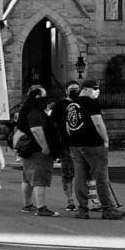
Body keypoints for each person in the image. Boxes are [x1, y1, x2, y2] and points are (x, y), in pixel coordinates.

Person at [64, 78, 125, 220]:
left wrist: (74, 138)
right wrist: (106, 140)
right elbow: (98, 123)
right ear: (86, 89)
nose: (97, 92)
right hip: (93, 144)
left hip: (76, 144)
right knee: (101, 177)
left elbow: (68, 126)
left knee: (80, 177)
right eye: (95, 89)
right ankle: (108, 208)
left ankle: (82, 209)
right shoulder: (91, 103)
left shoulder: (72, 105)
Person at [13, 85, 60, 216]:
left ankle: (27, 205)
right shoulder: (35, 111)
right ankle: (41, 207)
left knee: (28, 178)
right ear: (37, 96)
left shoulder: (26, 108)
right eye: (43, 96)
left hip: (27, 149)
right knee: (40, 178)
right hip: (37, 150)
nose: (45, 99)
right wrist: (45, 147)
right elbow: (36, 129)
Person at [50, 80, 80, 210]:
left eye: (77, 88)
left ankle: (86, 200)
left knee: (83, 172)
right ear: (67, 90)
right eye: (72, 88)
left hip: (82, 143)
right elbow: (53, 124)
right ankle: (70, 199)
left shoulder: (82, 103)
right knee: (68, 173)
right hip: (66, 144)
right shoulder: (60, 105)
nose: (75, 91)